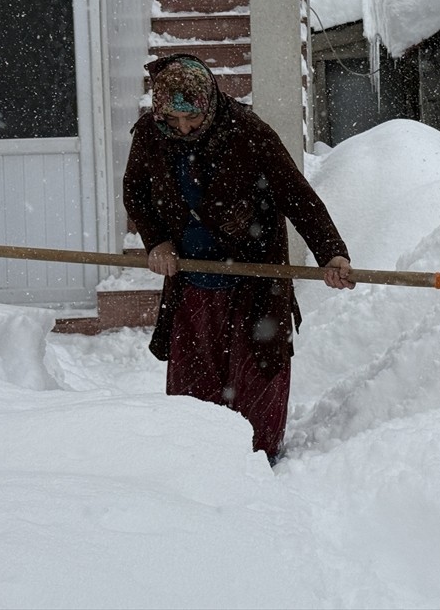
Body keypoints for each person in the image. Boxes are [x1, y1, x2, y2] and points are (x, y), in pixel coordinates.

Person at [123, 53, 354, 462]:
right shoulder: (151, 134)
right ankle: (195, 461)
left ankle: (255, 466)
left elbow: (296, 196)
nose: (184, 128)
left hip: (254, 280)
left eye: (191, 119)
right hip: (192, 283)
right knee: (194, 384)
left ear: (209, 101)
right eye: (173, 121)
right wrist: (156, 241)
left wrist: (331, 253)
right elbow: (137, 192)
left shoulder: (247, 132)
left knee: (254, 381)